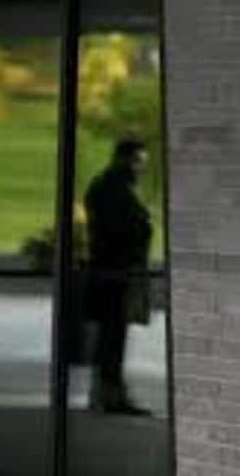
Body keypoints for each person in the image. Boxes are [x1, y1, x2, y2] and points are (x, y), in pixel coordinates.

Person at [84, 137, 152, 415]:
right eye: (138, 161)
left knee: (110, 336)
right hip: (115, 272)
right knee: (113, 336)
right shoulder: (115, 190)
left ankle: (105, 392)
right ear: (125, 159)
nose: (141, 168)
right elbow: (123, 229)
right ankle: (110, 394)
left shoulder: (109, 186)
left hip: (113, 270)